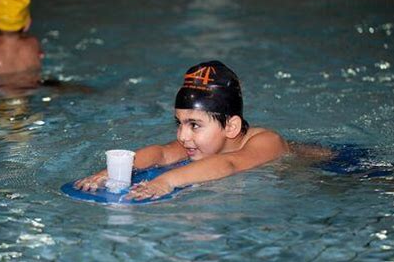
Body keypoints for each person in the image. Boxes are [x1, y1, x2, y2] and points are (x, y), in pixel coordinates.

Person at [74, 60, 290, 201]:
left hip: (320, 166)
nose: (182, 136)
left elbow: (229, 164)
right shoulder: (197, 143)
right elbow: (161, 153)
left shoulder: (268, 142)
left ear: (231, 127)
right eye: (180, 123)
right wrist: (108, 174)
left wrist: (166, 181)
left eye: (194, 125)